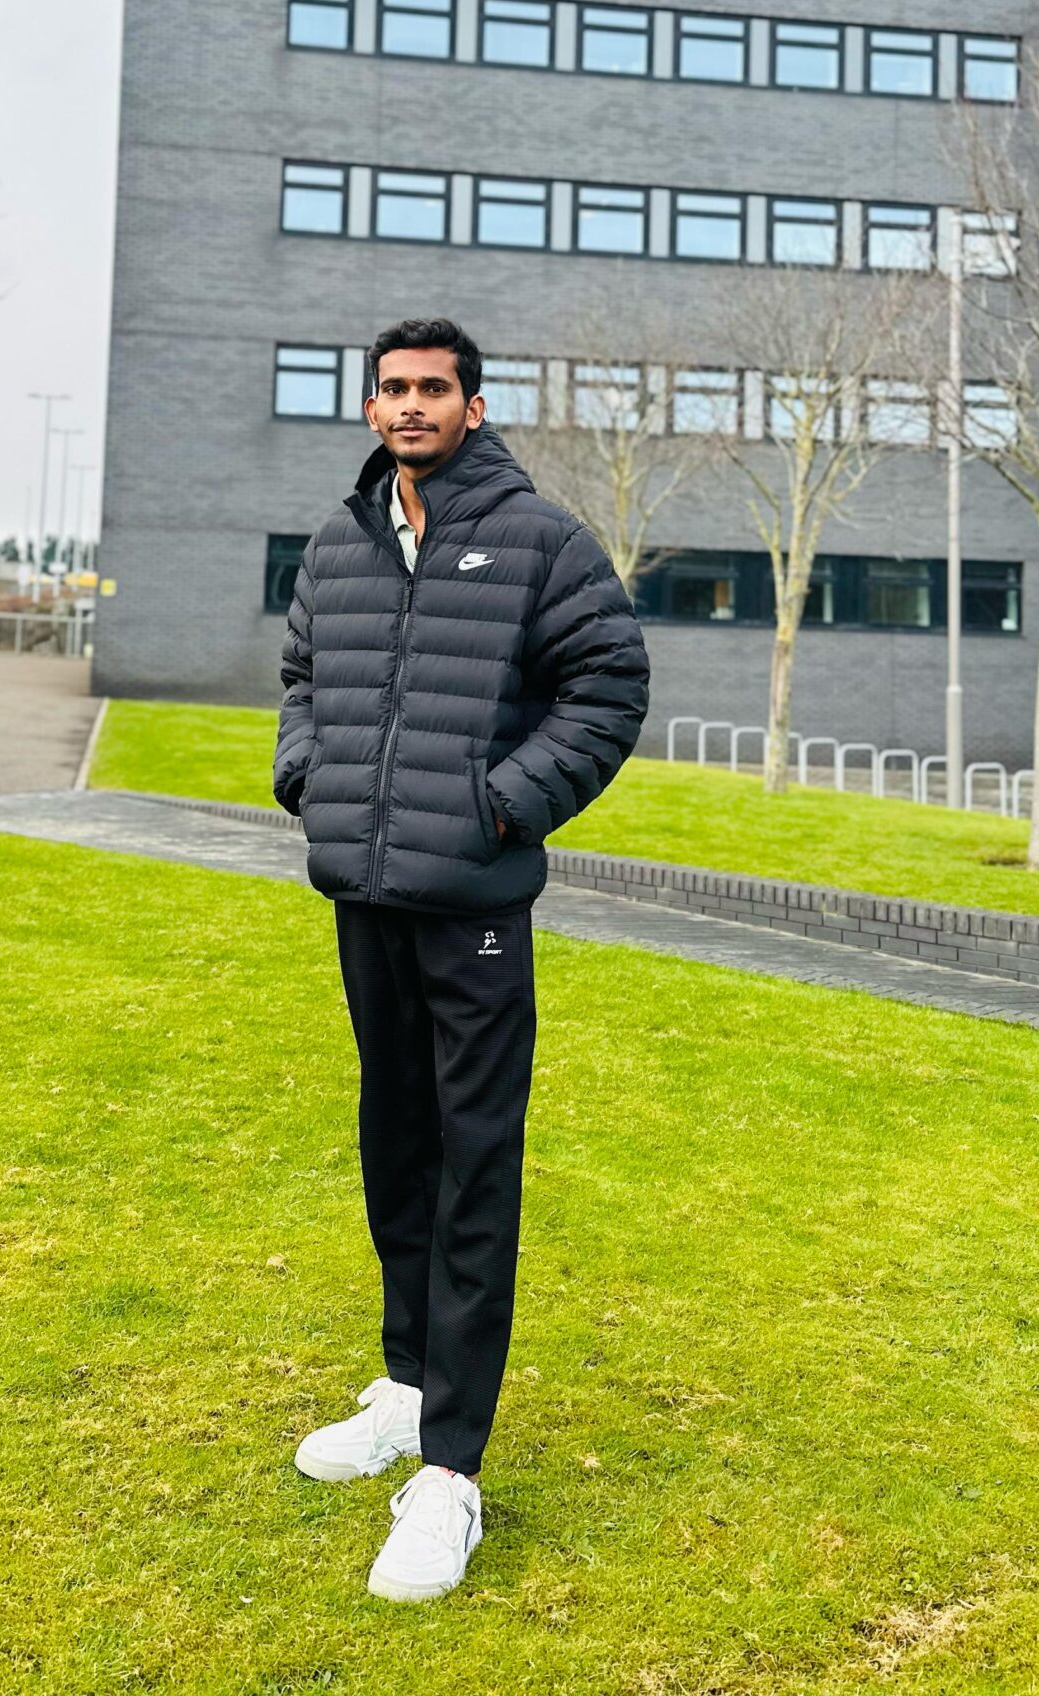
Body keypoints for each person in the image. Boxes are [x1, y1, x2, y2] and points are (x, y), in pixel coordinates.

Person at [273, 315, 650, 1602]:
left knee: (473, 1164)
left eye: (434, 388)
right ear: (371, 405)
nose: (411, 405)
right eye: (392, 388)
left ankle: (451, 1470)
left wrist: (500, 806)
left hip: (473, 904)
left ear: (473, 406)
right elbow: (303, 677)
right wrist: (308, 779)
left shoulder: (540, 540)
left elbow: (608, 688)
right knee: (396, 1145)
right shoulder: (341, 541)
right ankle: (406, 1384)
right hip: (364, 896)